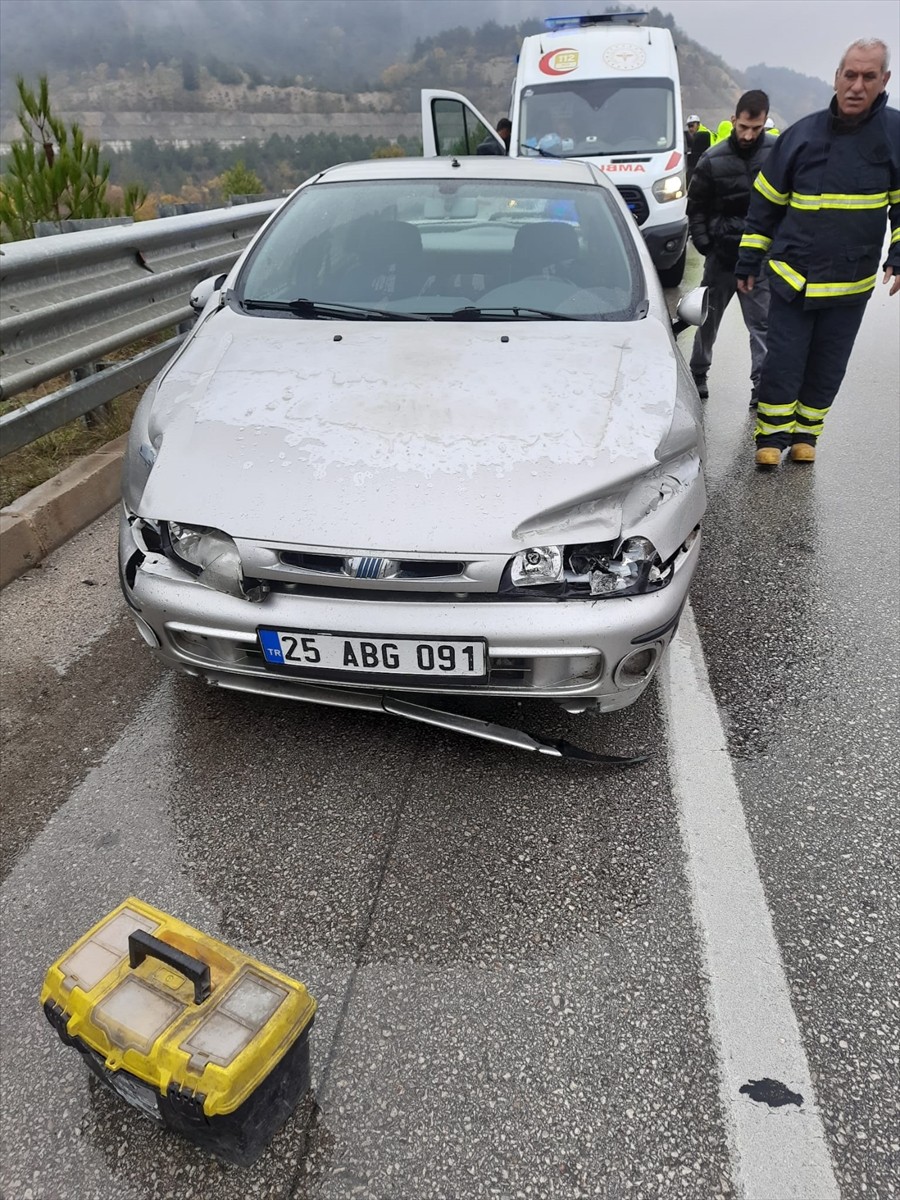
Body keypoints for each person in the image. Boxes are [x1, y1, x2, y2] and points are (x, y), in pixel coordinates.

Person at [735, 39, 900, 466]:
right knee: (784, 361)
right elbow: (765, 205)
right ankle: (770, 438)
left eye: (868, 77)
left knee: (829, 364)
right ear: (836, 77)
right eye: (850, 75)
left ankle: (807, 435)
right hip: (794, 276)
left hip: (851, 281)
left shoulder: (895, 135)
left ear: (884, 81)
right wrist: (748, 260)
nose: (857, 86)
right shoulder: (800, 136)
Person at [687, 90, 775, 404]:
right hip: (722, 258)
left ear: (765, 122)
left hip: (761, 258)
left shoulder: (777, 155)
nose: (749, 135)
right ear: (734, 120)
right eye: (744, 127)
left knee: (763, 327)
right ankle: (697, 374)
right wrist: (706, 244)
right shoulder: (712, 159)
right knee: (706, 320)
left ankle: (761, 387)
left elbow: (789, 204)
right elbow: (696, 207)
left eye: (756, 128)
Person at [685, 114, 712, 183]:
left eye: (692, 125)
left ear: (698, 124)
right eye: (689, 126)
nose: (690, 128)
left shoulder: (701, 134)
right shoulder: (698, 134)